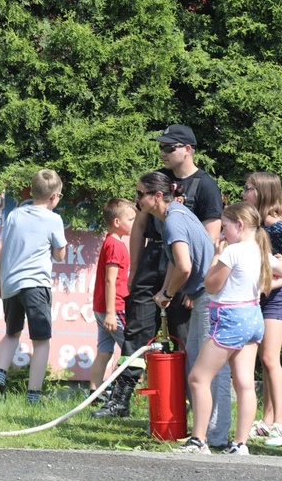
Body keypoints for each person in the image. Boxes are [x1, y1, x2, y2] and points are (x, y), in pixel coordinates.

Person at [93, 127, 228, 439]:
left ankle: (182, 410)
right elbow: (140, 222)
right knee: (137, 330)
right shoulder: (155, 179)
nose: (163, 152)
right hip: (156, 255)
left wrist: (201, 283)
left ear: (188, 149)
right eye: (161, 147)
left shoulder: (205, 186)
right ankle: (120, 398)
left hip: (187, 268)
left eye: (169, 147)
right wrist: (136, 269)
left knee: (182, 340)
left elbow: (209, 237)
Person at [177, 202, 282, 455]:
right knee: (244, 383)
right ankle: (240, 444)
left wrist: (217, 254)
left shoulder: (232, 252)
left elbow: (211, 286)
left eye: (225, 226)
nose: (223, 232)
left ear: (239, 225)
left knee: (198, 378)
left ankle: (199, 440)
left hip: (230, 318)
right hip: (253, 317)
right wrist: (267, 284)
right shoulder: (260, 252)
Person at [0, 169, 68, 404]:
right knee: (41, 341)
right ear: (54, 197)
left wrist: (0, 282)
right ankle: (33, 395)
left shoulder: (15, 215)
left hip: (11, 283)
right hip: (35, 285)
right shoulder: (54, 219)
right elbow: (60, 255)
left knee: (12, 333)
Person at [242, 172, 282, 446]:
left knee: (270, 359)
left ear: (262, 193)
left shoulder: (272, 223)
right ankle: (268, 420)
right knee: (266, 361)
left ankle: (280, 423)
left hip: (275, 297)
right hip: (262, 296)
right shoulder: (258, 223)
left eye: (248, 189)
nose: (244, 193)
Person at [88, 198, 135, 405]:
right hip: (113, 308)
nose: (134, 223)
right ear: (117, 222)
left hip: (103, 307)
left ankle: (94, 393)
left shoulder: (112, 242)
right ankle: (116, 396)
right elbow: (110, 279)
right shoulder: (115, 245)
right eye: (131, 219)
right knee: (131, 352)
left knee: (105, 351)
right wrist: (110, 313)